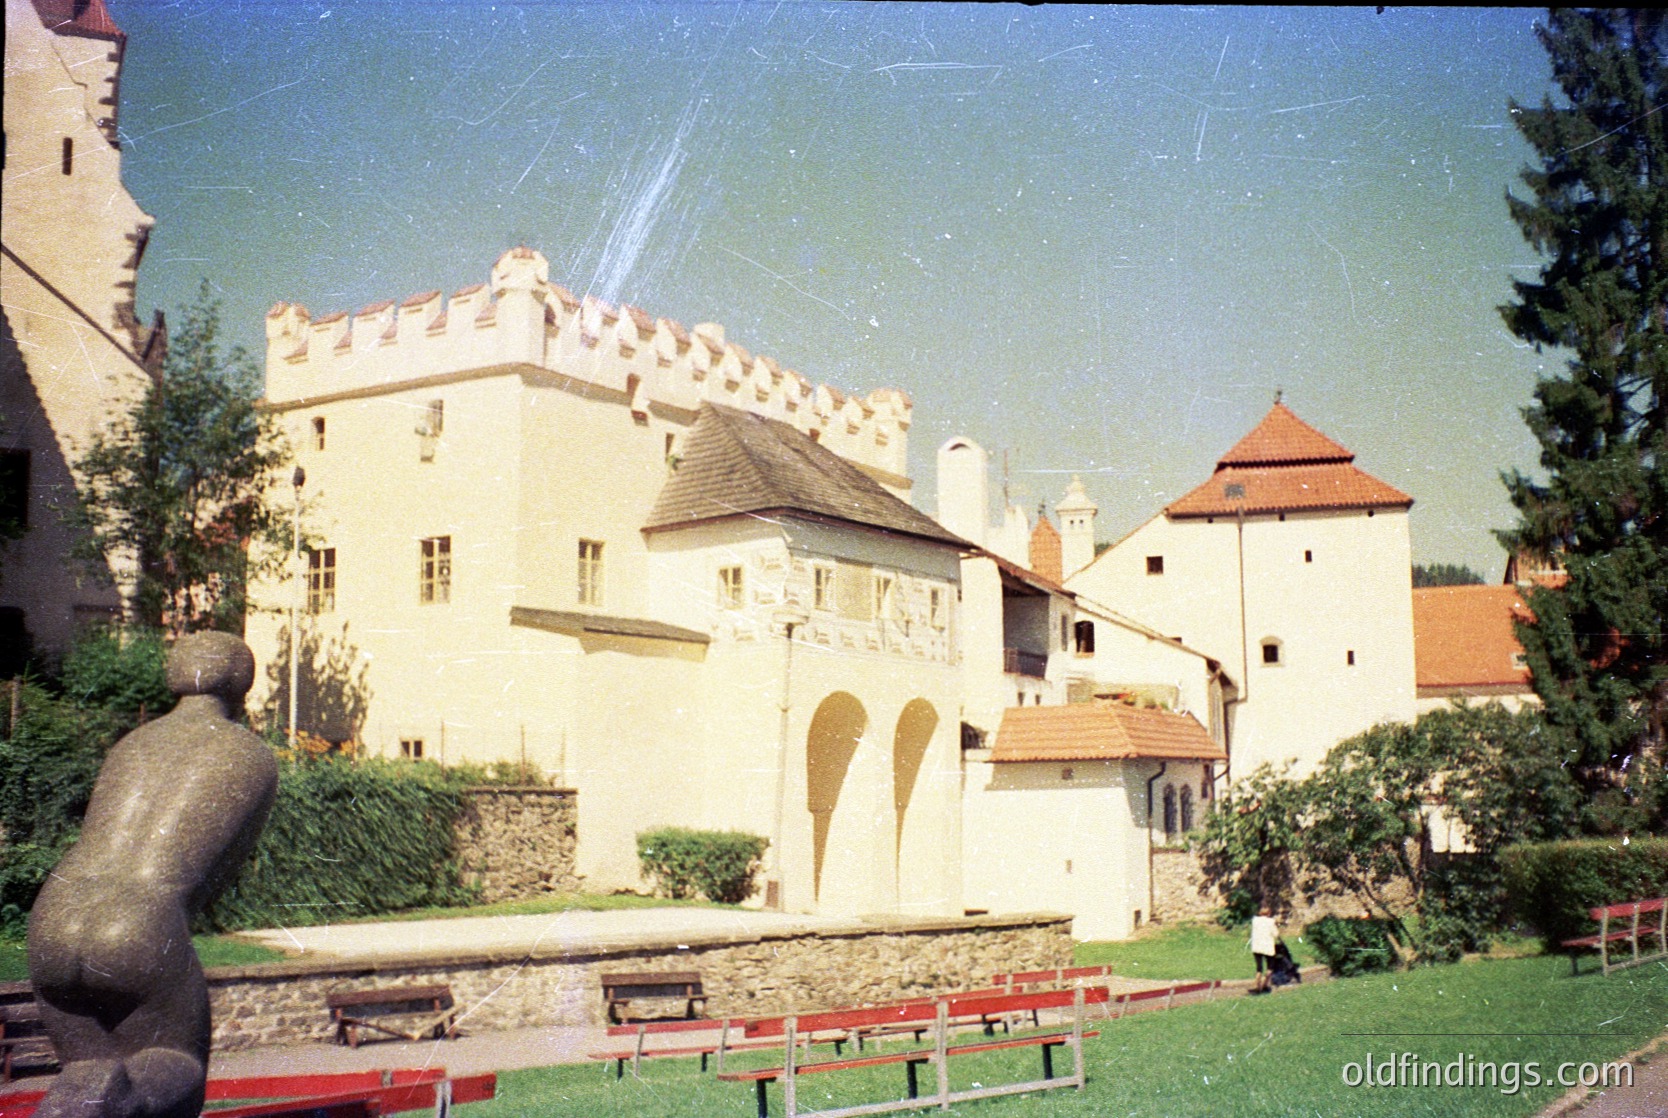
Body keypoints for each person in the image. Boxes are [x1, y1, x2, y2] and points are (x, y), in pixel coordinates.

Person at [27, 633, 278, 1118]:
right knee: (174, 1064)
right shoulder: (249, 755)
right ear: (241, 683)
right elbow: (217, 875)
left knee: (87, 1073)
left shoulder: (132, 743)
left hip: (53, 916)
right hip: (141, 923)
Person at [1249, 905, 1279, 994]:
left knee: (1259, 968)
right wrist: (1277, 925)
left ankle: (1257, 986)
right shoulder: (1271, 922)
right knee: (1270, 967)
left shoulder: (1255, 920)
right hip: (1268, 947)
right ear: (1269, 913)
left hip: (1257, 947)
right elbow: (1276, 934)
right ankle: (1265, 984)